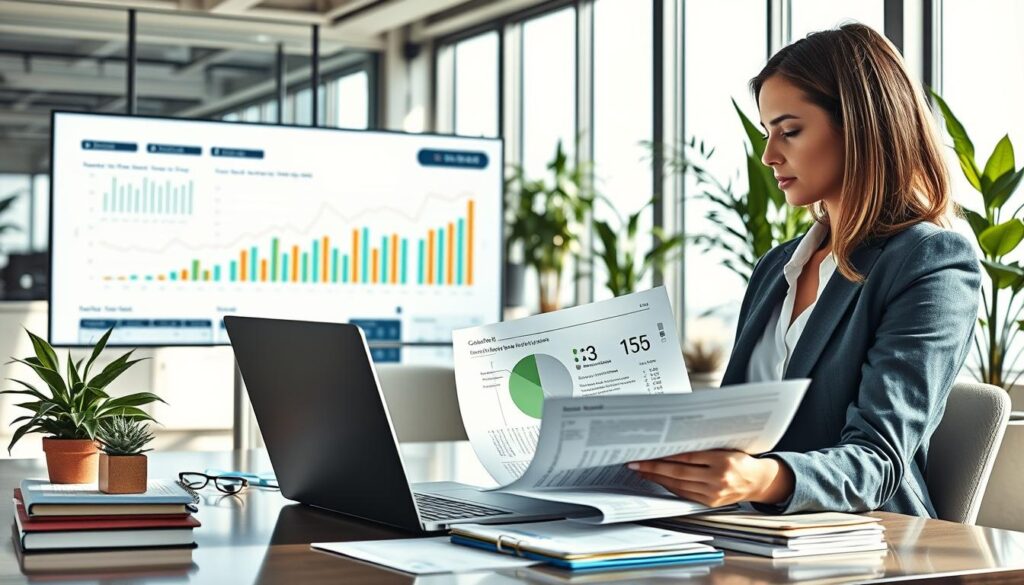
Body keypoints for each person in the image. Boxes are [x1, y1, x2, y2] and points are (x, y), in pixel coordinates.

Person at [628, 23, 981, 516]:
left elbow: (876, 462)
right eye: (767, 134)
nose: (770, 156)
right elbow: (735, 428)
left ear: (860, 125)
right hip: (741, 531)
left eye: (789, 131)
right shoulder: (776, 268)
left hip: (864, 542)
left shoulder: (930, 262)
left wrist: (763, 479)